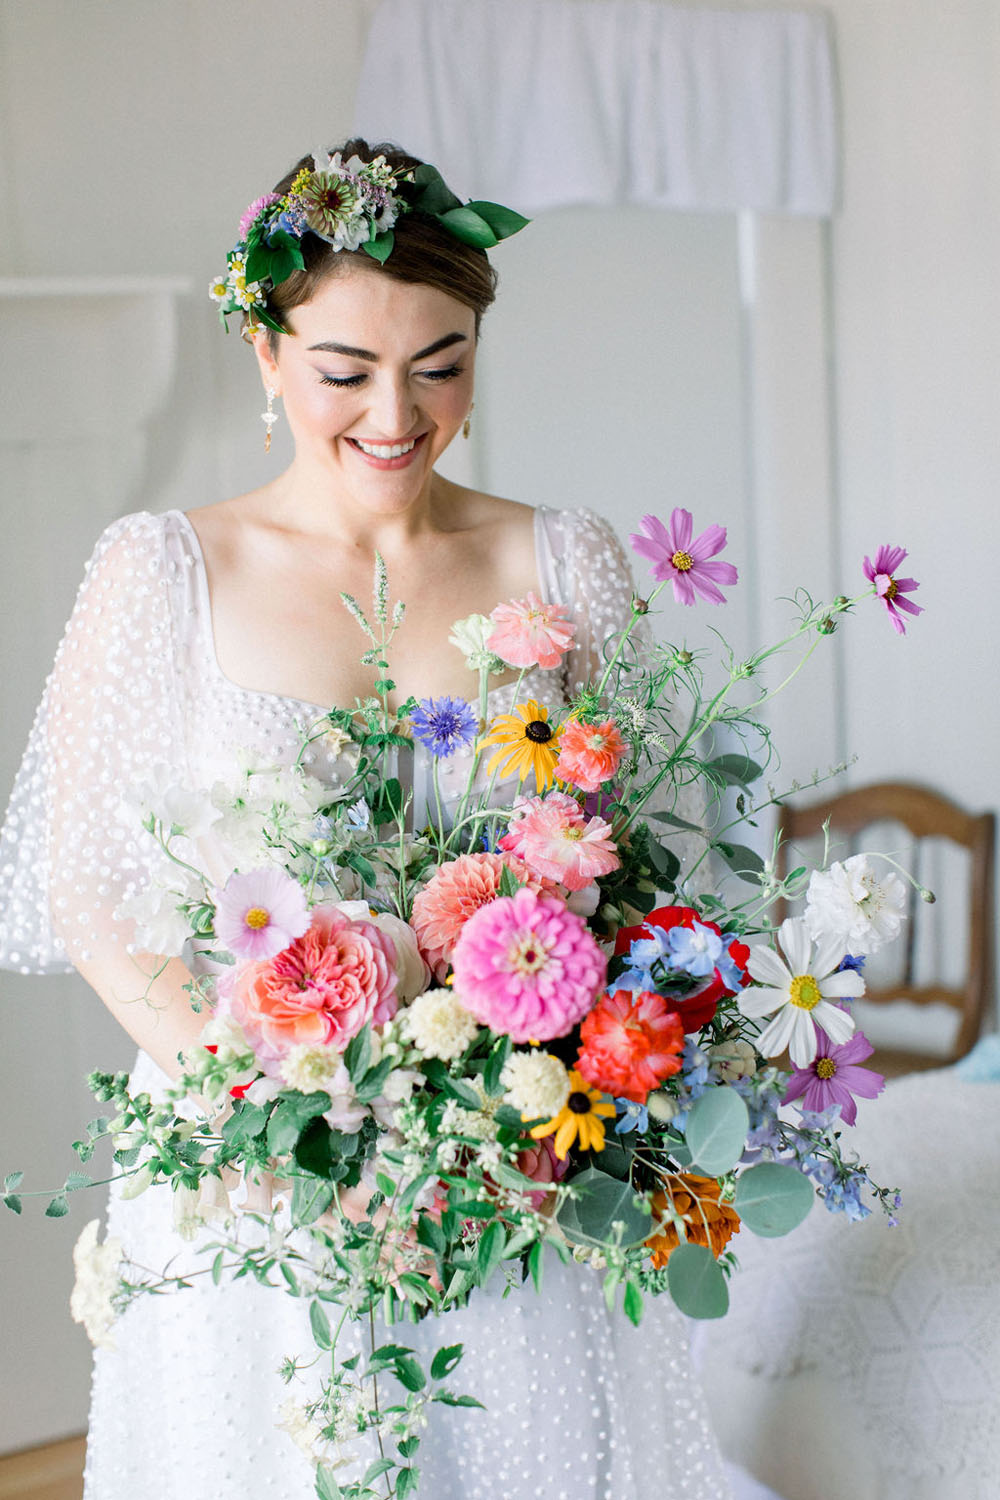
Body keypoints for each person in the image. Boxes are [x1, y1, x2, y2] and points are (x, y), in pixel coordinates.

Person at [0, 140, 742, 1499]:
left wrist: (509, 1116)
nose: (396, 413)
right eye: (345, 371)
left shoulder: (563, 560)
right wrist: (286, 1117)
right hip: (260, 1169)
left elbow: (643, 865)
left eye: (441, 363)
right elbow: (92, 894)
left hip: (509, 1164)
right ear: (267, 354)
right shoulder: (161, 569)